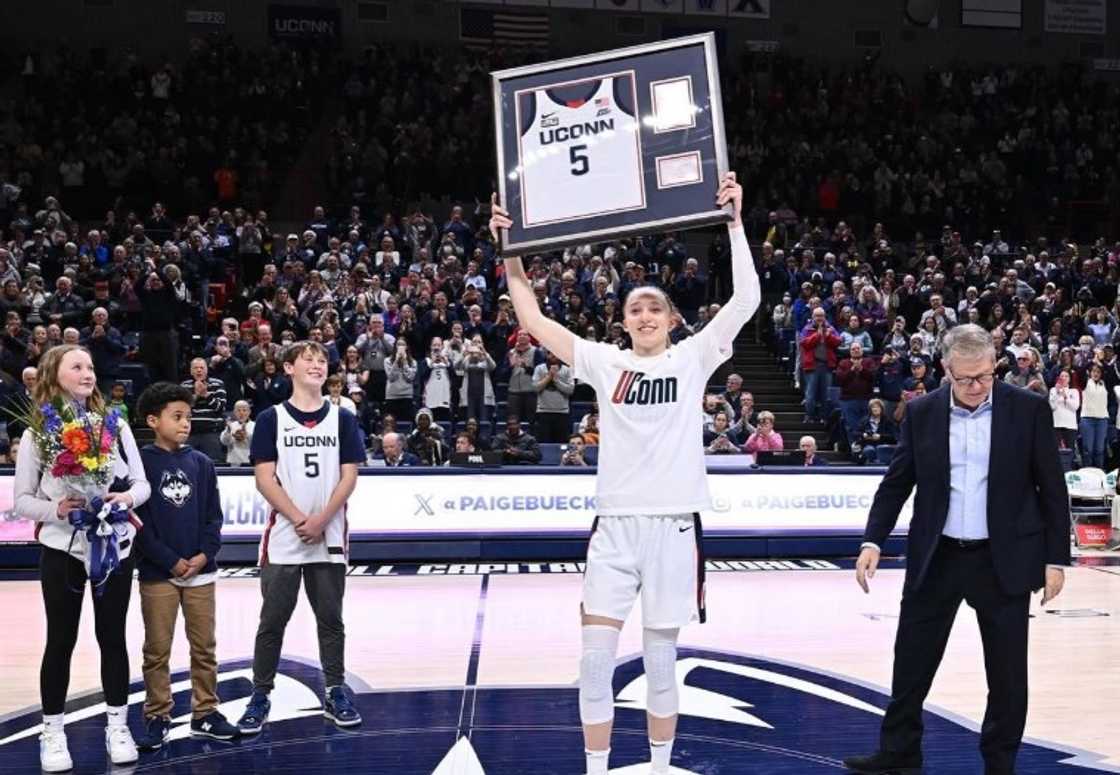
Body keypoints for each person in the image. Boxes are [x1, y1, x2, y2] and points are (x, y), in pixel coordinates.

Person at [489, 170, 759, 775]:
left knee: (661, 662)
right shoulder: (605, 363)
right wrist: (509, 250)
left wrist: (736, 223)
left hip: (672, 528)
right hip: (614, 528)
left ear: (670, 320)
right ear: (624, 320)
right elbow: (533, 320)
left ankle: (660, 767)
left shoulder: (693, 359)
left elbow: (746, 302)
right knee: (593, 661)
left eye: (653, 308)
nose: (643, 315)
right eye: (634, 308)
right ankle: (596, 768)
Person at [846, 324, 1070, 775]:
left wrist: (1056, 558)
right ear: (945, 369)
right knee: (911, 663)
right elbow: (897, 482)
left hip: (1002, 559)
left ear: (995, 366)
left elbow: (1052, 485)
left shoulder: (1027, 409)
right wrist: (873, 539)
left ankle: (1000, 763)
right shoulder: (922, 411)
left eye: (984, 377)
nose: (975, 387)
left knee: (1007, 675)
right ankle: (899, 753)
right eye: (965, 378)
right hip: (938, 556)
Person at [13, 345, 151, 771]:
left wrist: (125, 496)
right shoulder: (38, 432)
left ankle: (118, 724)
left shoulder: (116, 424)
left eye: (91, 366)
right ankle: (52, 731)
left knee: (112, 638)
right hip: (62, 550)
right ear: (56, 375)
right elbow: (21, 501)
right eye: (78, 366)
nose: (88, 373)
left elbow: (143, 483)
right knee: (61, 640)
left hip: (113, 547)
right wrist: (56, 509)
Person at [237, 342, 366, 735]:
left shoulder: (342, 418)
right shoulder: (271, 418)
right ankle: (260, 695)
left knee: (331, 621)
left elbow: (350, 476)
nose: (316, 365)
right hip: (284, 536)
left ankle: (335, 690)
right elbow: (264, 478)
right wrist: (298, 519)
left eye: (322, 360)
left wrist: (321, 519)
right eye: (307, 360)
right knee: (272, 620)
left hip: (328, 533)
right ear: (288, 368)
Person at [133, 383, 238, 750]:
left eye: (188, 417)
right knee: (156, 650)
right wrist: (169, 560)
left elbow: (214, 518)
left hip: (201, 573)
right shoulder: (140, 464)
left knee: (204, 647)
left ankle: (205, 712)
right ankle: (157, 715)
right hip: (158, 574)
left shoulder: (202, 463)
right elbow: (137, 523)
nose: (185, 424)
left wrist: (203, 556)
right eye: (176, 417)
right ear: (152, 420)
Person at [180, 358, 228, 463]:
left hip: (212, 434)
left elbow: (220, 408)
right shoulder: (184, 386)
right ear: (191, 371)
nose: (199, 370)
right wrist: (196, 395)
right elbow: (182, 410)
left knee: (214, 465)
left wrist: (206, 395)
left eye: (202, 368)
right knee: (188, 464)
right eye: (196, 368)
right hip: (190, 434)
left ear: (206, 370)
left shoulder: (218, 384)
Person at [533, 351, 575, 443]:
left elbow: (570, 390)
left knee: (562, 443)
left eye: (555, 353)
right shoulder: (539, 368)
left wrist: (556, 380)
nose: (553, 355)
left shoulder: (567, 370)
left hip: (562, 412)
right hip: (543, 411)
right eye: (550, 353)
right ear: (547, 355)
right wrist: (549, 377)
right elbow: (535, 388)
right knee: (543, 443)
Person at [1079, 362, 1109, 469]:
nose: (1096, 373)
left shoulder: (1105, 383)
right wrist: (1092, 362)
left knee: (1100, 449)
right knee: (1088, 449)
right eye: (1093, 371)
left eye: (1098, 372)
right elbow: (1080, 370)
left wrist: (1101, 362)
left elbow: (1110, 372)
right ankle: (1087, 473)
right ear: (1090, 373)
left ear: (1101, 374)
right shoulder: (1085, 382)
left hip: (1102, 420)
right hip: (1087, 419)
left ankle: (1099, 473)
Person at [220, 400, 255, 466]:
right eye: (238, 410)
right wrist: (228, 431)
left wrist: (246, 435)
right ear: (234, 412)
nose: (241, 413)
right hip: (233, 462)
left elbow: (258, 443)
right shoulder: (230, 425)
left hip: (249, 462)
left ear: (249, 412)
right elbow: (224, 442)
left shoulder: (255, 426)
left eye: (244, 410)